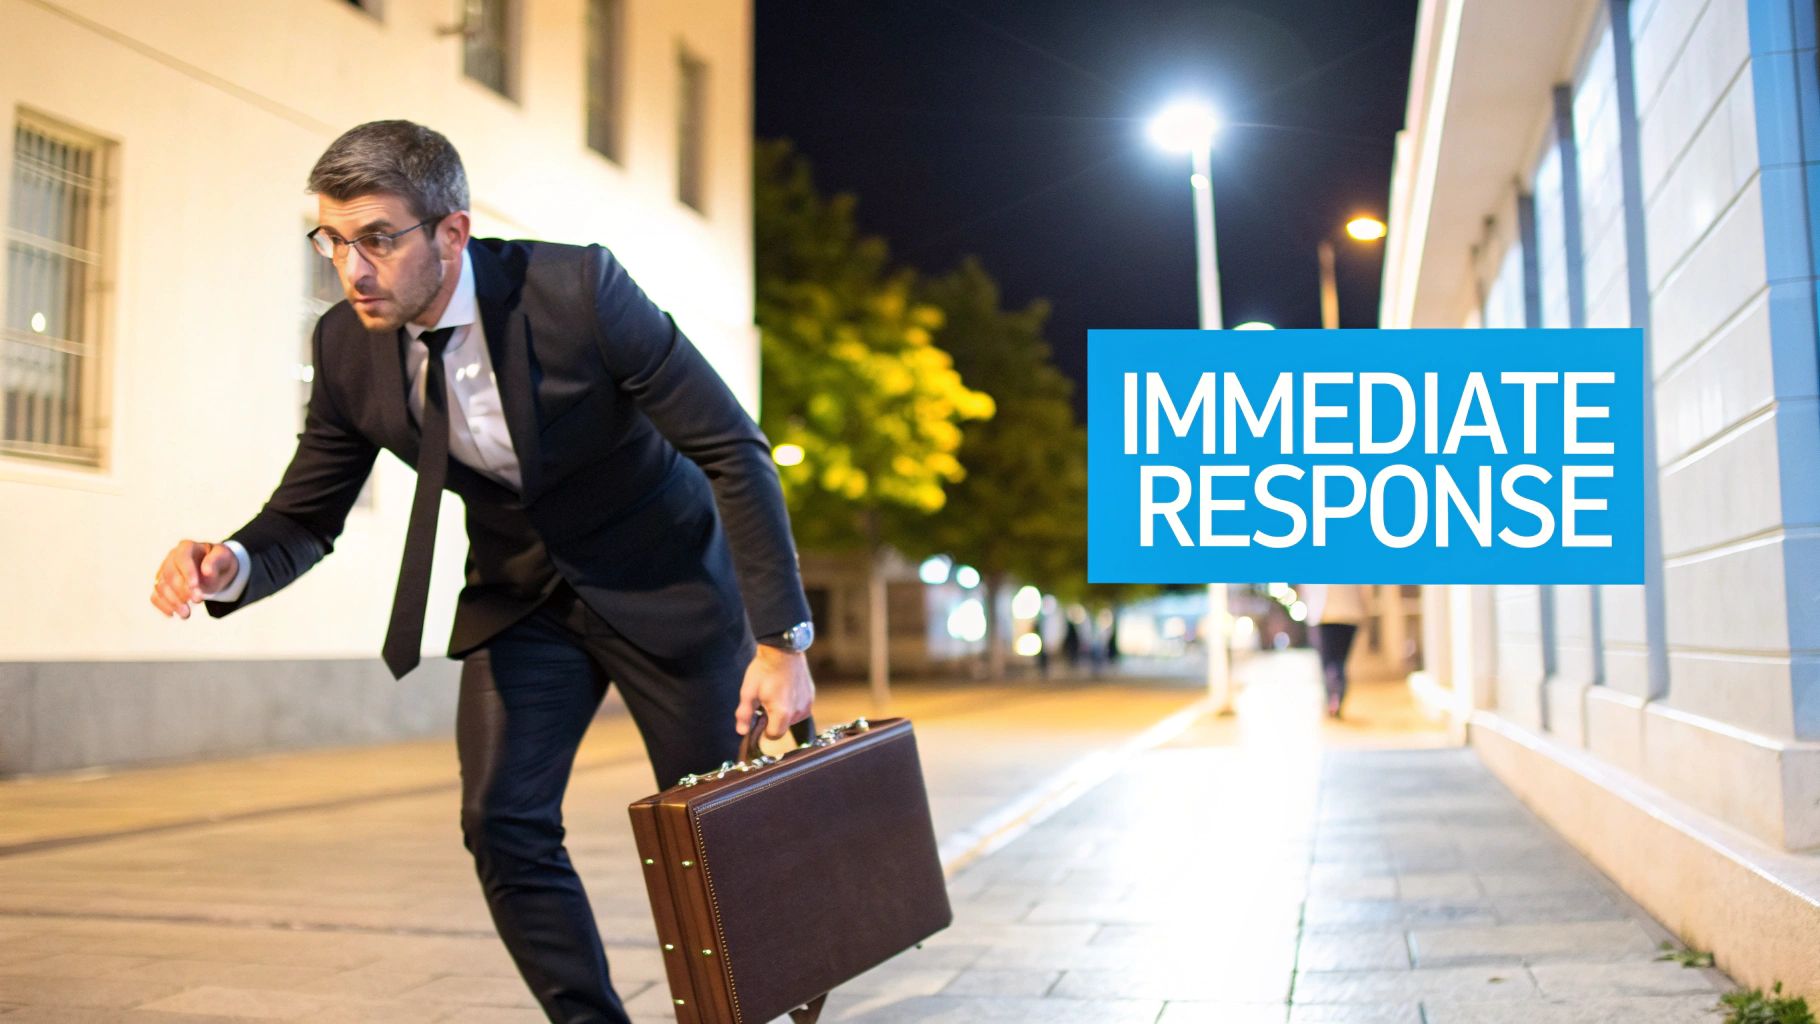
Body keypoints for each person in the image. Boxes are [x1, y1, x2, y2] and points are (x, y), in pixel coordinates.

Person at [146, 121, 816, 1024]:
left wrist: (781, 641)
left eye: (377, 238)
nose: (352, 269)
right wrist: (227, 563)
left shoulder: (580, 290)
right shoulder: (347, 348)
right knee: (501, 819)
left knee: (714, 830)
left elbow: (735, 450)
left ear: (451, 233)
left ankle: (769, 1000)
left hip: (664, 582)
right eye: (332, 241)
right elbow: (306, 516)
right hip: (523, 596)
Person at [1302, 584, 1373, 718]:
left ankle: (1333, 698)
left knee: (1329, 662)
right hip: (1350, 614)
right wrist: (1365, 609)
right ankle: (1337, 697)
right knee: (1340, 661)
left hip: (1326, 615)